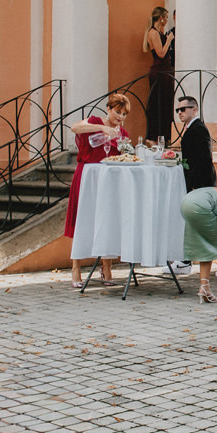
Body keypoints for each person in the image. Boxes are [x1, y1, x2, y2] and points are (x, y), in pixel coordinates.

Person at [64, 92, 133, 288]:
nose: (120, 117)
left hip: (109, 180)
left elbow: (121, 156)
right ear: (108, 109)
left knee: (108, 221)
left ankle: (107, 267)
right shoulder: (95, 121)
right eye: (117, 112)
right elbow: (75, 127)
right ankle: (76, 267)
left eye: (124, 114)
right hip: (88, 176)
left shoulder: (122, 133)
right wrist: (102, 128)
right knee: (83, 219)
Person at [143, 7, 176, 142]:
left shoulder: (159, 32)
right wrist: (169, 40)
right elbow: (161, 53)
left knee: (166, 104)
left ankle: (165, 136)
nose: (167, 20)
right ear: (161, 18)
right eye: (166, 17)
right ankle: (154, 136)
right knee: (158, 104)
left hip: (165, 71)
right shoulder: (153, 33)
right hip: (159, 72)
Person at [175, 95, 217, 192]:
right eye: (178, 110)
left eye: (183, 109)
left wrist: (195, 184)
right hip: (194, 182)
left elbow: (204, 159)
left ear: (194, 110)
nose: (180, 112)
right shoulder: (192, 127)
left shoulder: (199, 128)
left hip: (200, 183)